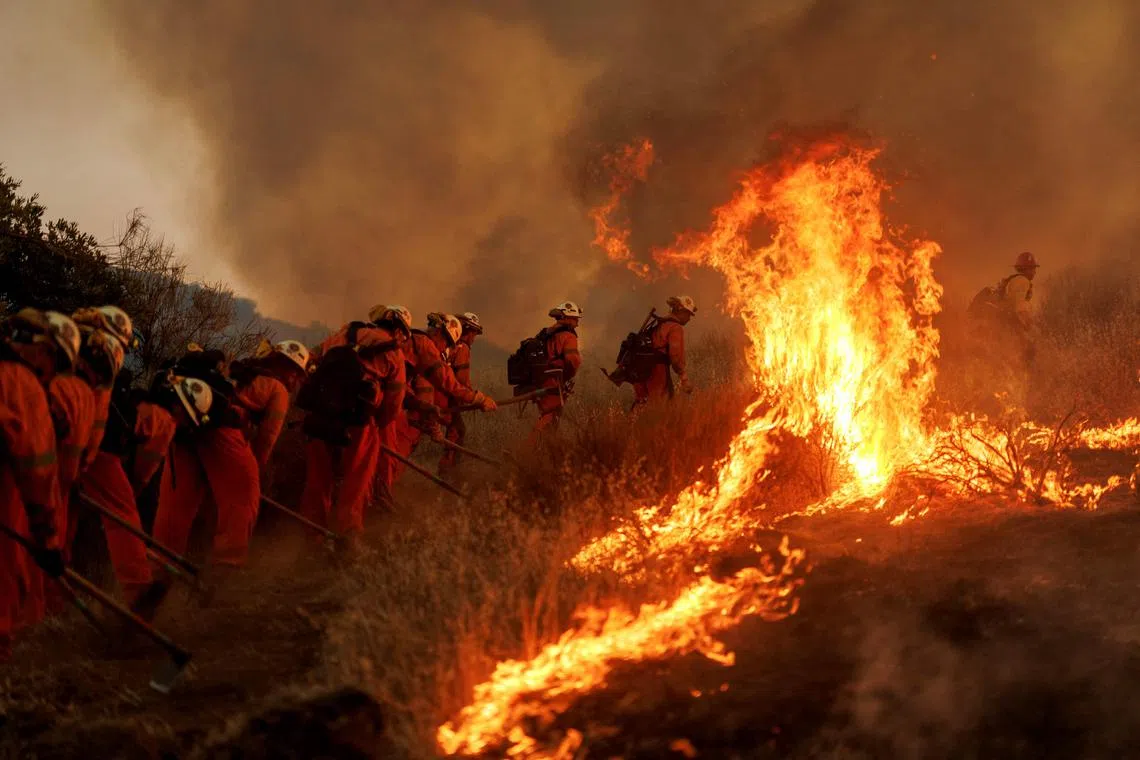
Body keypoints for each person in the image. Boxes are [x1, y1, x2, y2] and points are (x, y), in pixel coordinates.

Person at [0, 309, 79, 658]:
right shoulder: (22, 384)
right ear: (43, 350)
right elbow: (37, 471)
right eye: (55, 361)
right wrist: (48, 542)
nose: (52, 374)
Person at [298, 305, 409, 546]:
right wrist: (377, 425)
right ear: (399, 330)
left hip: (319, 413)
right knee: (357, 477)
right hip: (358, 420)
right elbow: (393, 404)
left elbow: (313, 359)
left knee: (318, 477)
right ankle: (349, 535)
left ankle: (313, 537)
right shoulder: (394, 352)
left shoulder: (343, 334)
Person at [152, 346, 261, 572]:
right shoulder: (218, 403)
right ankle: (226, 569)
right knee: (242, 494)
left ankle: (161, 568)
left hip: (182, 441)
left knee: (173, 508)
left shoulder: (159, 400)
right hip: (219, 434)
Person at [383, 313, 496, 494]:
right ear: (438, 333)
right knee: (397, 448)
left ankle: (380, 490)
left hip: (391, 401)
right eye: (447, 343)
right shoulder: (426, 347)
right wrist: (479, 399)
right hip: (395, 408)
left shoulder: (414, 341)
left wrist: (431, 422)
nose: (446, 348)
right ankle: (380, 492)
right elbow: (445, 383)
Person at [231, 340, 311, 477]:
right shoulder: (279, 391)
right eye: (295, 373)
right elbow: (269, 435)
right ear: (287, 368)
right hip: (235, 440)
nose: (295, 378)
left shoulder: (250, 373)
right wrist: (257, 467)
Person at [632, 295, 697, 407]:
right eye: (687, 314)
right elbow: (675, 356)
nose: (689, 318)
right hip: (657, 371)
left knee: (642, 407)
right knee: (662, 407)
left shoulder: (660, 324)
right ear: (679, 310)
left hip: (640, 371)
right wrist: (684, 379)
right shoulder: (675, 327)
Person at [531, 301, 582, 439]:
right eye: (575, 319)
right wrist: (568, 376)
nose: (577, 323)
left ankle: (546, 452)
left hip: (542, 379)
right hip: (553, 381)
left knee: (551, 419)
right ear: (567, 318)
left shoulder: (550, 333)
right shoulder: (568, 336)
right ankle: (527, 450)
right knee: (549, 416)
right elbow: (573, 361)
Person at [438, 312, 482, 474]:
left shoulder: (450, 346)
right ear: (466, 331)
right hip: (448, 399)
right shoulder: (462, 349)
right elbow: (461, 380)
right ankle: (449, 471)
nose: (474, 338)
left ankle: (449, 468)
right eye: (473, 333)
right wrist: (474, 397)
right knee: (457, 431)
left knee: (456, 429)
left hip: (441, 395)